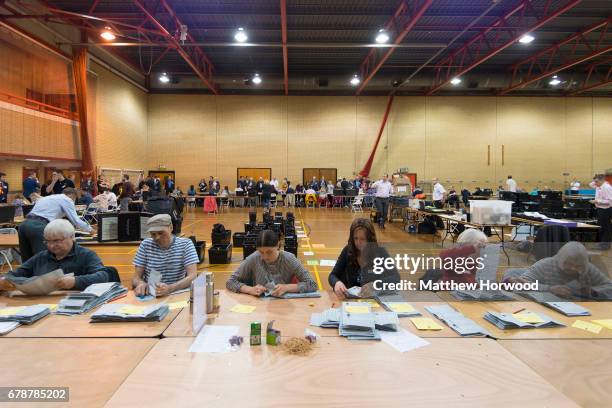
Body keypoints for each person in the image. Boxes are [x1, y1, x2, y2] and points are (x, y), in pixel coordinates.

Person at [1, 220, 110, 292]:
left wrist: (75, 281)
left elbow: (103, 276)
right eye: (47, 241)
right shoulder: (41, 257)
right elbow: (13, 275)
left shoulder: (86, 255)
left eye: (57, 241)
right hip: (43, 305)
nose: (52, 246)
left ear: (72, 237)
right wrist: (6, 281)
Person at [506, 242, 612, 299]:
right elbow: (520, 285)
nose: (573, 268)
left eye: (578, 266)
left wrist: (593, 292)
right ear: (559, 259)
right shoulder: (545, 265)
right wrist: (550, 289)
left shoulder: (587, 269)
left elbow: (609, 286)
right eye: (569, 264)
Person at [226, 230, 317, 296]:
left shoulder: (289, 259)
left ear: (277, 245)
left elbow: (312, 284)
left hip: (283, 307)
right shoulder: (254, 258)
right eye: (261, 252)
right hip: (259, 307)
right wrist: (250, 289)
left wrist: (286, 287)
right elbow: (230, 282)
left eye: (269, 252)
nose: (265, 257)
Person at [329, 218, 400, 299]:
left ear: (370, 239)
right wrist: (336, 283)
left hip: (373, 302)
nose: (358, 243)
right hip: (351, 302)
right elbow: (332, 275)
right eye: (355, 238)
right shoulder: (347, 251)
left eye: (362, 239)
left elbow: (396, 278)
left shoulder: (380, 252)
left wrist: (375, 285)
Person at [18, 188, 92, 261]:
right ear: (73, 196)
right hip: (38, 227)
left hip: (23, 225)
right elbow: (76, 221)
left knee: (27, 260)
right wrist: (90, 230)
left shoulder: (49, 198)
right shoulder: (67, 200)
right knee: (42, 260)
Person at [132, 214, 198, 297]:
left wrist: (170, 288)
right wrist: (140, 283)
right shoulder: (145, 245)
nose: (157, 237)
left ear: (171, 228)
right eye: (153, 234)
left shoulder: (186, 244)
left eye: (161, 233)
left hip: (176, 294)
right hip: (151, 295)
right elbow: (136, 277)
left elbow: (192, 276)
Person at [590, 174, 612, 250]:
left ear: (602, 180)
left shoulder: (607, 187)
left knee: (606, 228)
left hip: (606, 210)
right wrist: (595, 179)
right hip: (600, 209)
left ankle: (605, 246)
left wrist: (597, 201)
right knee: (601, 227)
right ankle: (601, 244)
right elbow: (591, 184)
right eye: (595, 181)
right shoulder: (598, 185)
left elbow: (609, 201)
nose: (595, 183)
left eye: (596, 181)